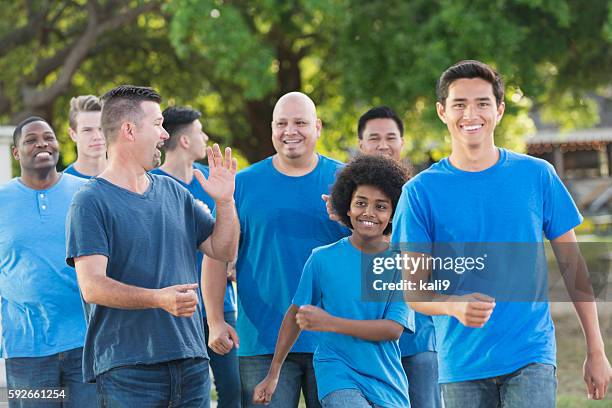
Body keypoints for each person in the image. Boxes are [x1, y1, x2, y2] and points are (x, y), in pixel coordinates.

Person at [392, 60, 612, 407]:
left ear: (499, 110)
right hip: (461, 365)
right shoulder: (420, 193)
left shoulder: (537, 175)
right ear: (442, 112)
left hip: (531, 354)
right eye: (459, 104)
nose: (471, 114)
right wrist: (453, 305)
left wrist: (596, 350)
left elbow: (573, 266)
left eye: (482, 103)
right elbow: (414, 292)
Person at [66, 85, 239, 408]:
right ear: (129, 130)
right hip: (127, 370)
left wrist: (226, 202)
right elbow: (92, 286)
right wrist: (158, 299)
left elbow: (223, 249)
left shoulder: (174, 192)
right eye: (157, 124)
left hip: (191, 362)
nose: (164, 135)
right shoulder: (90, 201)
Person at [204, 92, 349, 407]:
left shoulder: (345, 181)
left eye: (300, 122)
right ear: (271, 127)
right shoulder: (242, 184)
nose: (290, 131)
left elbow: (374, 247)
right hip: (262, 339)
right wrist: (215, 319)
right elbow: (215, 254)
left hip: (335, 338)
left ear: (318, 127)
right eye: (281, 123)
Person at [252, 154, 413, 408]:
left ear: (393, 213)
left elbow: (392, 329)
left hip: (387, 383)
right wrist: (273, 374)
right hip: (337, 374)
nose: (368, 213)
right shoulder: (322, 260)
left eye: (381, 206)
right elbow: (295, 315)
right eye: (360, 203)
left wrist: (330, 322)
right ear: (346, 207)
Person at [0, 116, 95, 407]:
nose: (41, 143)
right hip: (26, 351)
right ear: (16, 152)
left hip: (87, 344)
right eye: (30, 140)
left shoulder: (88, 192)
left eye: (48, 137)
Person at [151, 106, 240, 408]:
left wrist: (232, 260)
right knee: (186, 392)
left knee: (233, 389)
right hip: (176, 307)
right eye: (200, 131)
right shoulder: (151, 184)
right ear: (185, 140)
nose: (205, 137)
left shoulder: (212, 180)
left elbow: (228, 236)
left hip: (220, 304)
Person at [357, 106, 440, 408]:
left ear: (402, 142)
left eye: (391, 137)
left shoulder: (421, 193)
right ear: (361, 144)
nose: (383, 144)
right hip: (364, 341)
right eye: (374, 137)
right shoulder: (344, 200)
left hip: (417, 337)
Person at [64, 95, 106, 178]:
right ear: (73, 134)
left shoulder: (128, 178)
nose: (97, 136)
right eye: (87, 130)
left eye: (102, 128)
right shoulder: (62, 184)